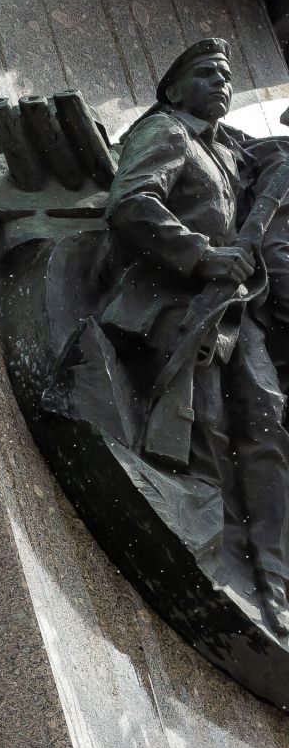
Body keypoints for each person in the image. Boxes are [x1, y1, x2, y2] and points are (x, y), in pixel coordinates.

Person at [103, 37, 289, 631]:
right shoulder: (168, 133)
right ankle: (217, 552)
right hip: (180, 301)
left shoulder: (230, 156)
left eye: (228, 77)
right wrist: (203, 255)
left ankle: (274, 573)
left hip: (239, 313)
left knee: (265, 427)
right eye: (208, 73)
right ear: (173, 88)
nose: (223, 84)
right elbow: (132, 204)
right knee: (205, 426)